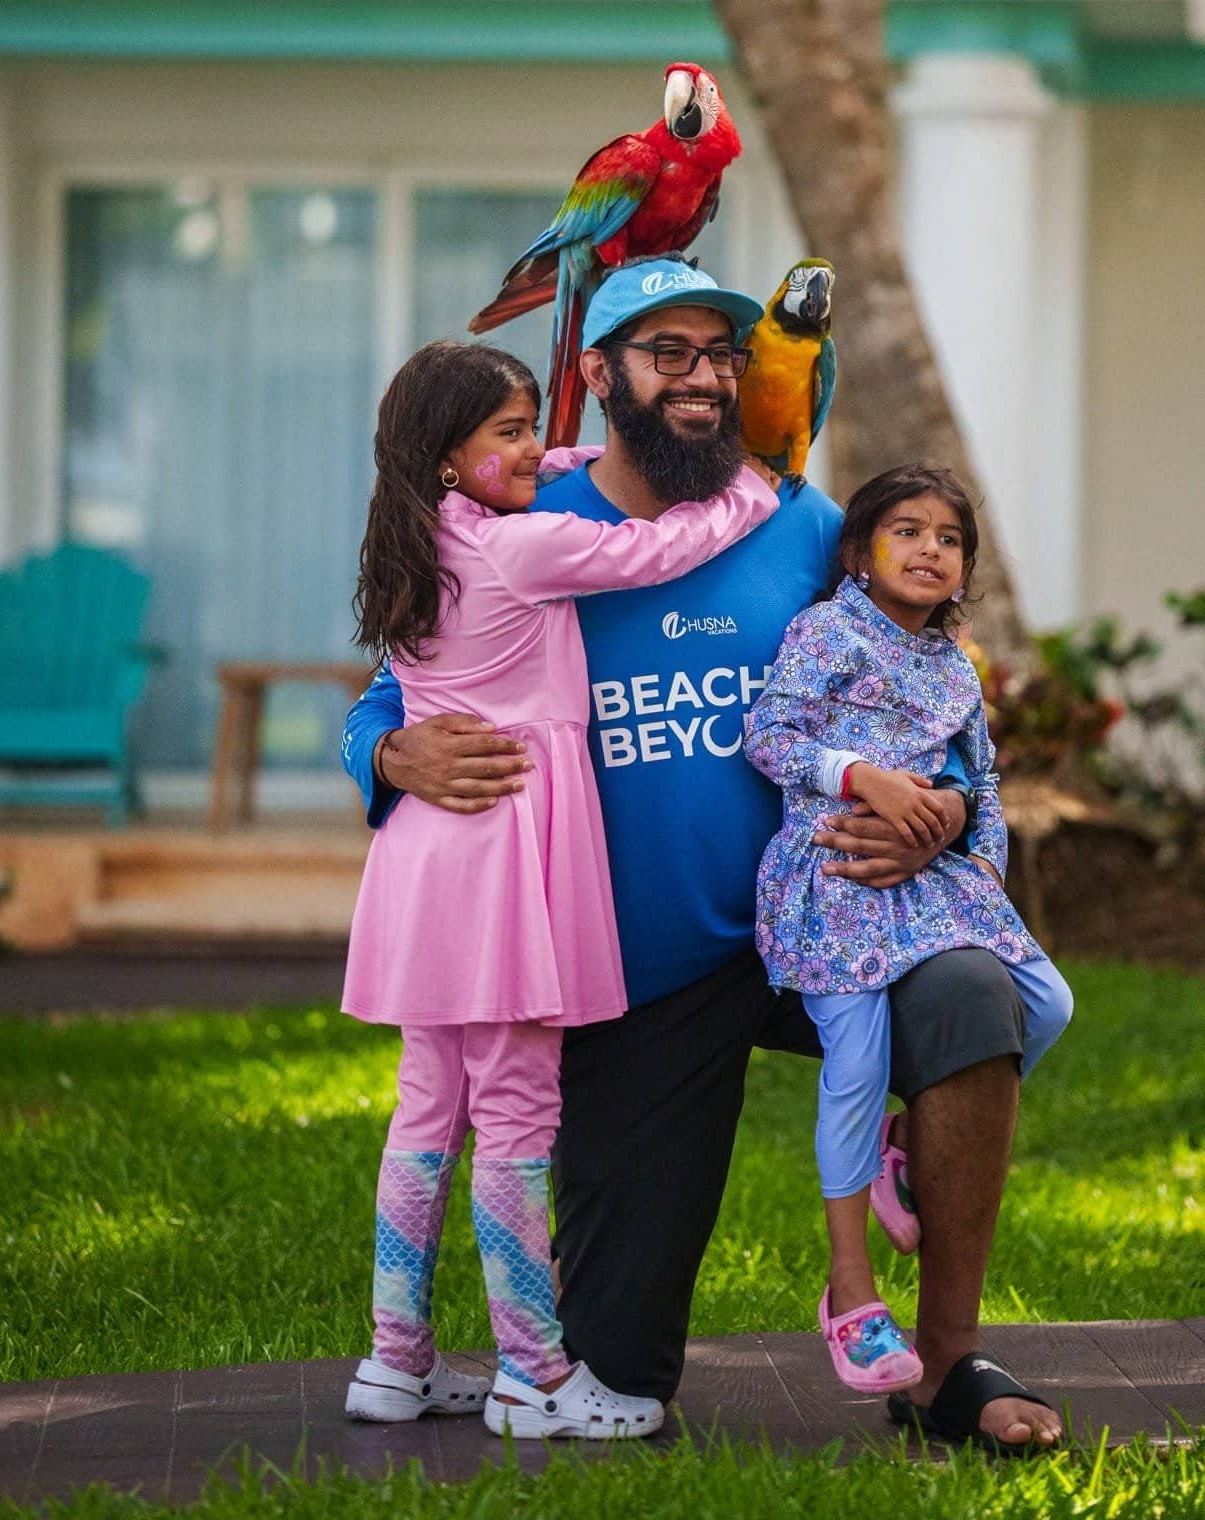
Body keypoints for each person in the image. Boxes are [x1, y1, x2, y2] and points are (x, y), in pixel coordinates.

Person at [342, 255, 1066, 1453]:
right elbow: (393, 685)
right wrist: (389, 757)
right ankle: (558, 1351)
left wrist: (938, 794)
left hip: (830, 925)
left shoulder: (807, 524)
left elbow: (927, 663)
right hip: (635, 971)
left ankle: (941, 1364)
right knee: (619, 1374)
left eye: (722, 353)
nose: (702, 377)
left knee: (972, 995)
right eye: (666, 351)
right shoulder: (528, 517)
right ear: (595, 373)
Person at [342, 335, 778, 1442]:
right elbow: (662, 542)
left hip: (428, 859)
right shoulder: (522, 551)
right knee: (520, 1116)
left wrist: (547, 450)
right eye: (512, 431)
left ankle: (395, 1359)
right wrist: (752, 484)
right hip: (507, 857)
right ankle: (534, 1371)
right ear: (448, 455)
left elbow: (510, 477)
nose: (537, 448)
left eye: (539, 423)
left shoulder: (419, 542)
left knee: (427, 1112)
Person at [745, 464, 1073, 1403]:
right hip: (839, 870)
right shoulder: (827, 632)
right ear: (858, 553)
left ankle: (903, 1147)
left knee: (1046, 1004)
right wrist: (863, 779)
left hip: (930, 883)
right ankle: (851, 1287)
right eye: (906, 531)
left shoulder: (949, 666)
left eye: (948, 538)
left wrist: (951, 820)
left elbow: (984, 785)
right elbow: (768, 735)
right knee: (854, 1057)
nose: (930, 549)